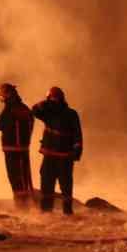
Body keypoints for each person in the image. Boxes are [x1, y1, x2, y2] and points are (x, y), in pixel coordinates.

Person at [31, 86, 82, 214]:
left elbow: (77, 135)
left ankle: (51, 212)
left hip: (61, 157)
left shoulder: (65, 113)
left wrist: (76, 151)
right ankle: (59, 212)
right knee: (59, 186)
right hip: (58, 156)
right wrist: (77, 152)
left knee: (57, 186)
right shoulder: (51, 113)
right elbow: (34, 111)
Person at [0, 82, 36, 208]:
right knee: (23, 179)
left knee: (16, 180)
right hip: (22, 149)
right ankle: (25, 205)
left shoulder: (10, 108)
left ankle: (22, 208)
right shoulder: (24, 108)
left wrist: (0, 119)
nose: (1, 97)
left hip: (12, 151)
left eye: (2, 95)